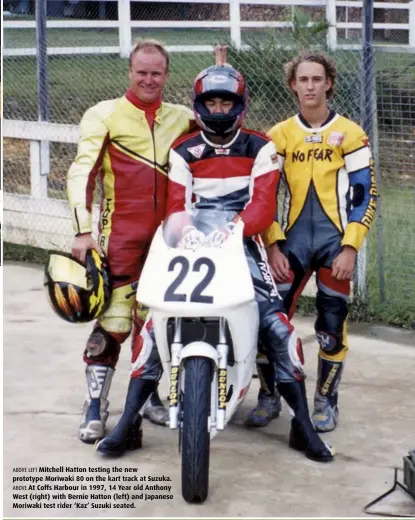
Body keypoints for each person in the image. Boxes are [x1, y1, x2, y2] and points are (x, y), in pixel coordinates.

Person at [96, 60, 334, 463]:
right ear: (200, 104)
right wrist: (185, 230)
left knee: (277, 328)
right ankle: (128, 422)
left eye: (227, 103)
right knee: (155, 323)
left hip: (242, 242)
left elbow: (262, 205)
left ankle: (302, 425)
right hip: (191, 242)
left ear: (239, 104)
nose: (219, 110)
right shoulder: (183, 149)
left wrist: (236, 229)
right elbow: (177, 204)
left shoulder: (261, 147)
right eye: (212, 102)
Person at [67, 39, 194, 443]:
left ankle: (148, 396)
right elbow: (81, 173)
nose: (149, 80)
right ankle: (94, 405)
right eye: (142, 72)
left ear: (166, 75)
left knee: (157, 321)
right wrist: (82, 230)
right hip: (119, 235)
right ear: (130, 72)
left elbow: (223, 136)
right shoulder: (104, 115)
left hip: (168, 240)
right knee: (115, 321)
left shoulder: (182, 118)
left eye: (156, 73)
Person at [246, 50, 378, 432]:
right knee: (266, 321)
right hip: (290, 245)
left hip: (335, 246)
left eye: (316, 79)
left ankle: (325, 401)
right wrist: (271, 245)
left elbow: (365, 194)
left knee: (330, 327)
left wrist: (351, 247)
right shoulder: (278, 135)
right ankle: (269, 397)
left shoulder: (351, 134)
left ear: (329, 83)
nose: (310, 86)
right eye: (303, 79)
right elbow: (263, 196)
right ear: (293, 84)